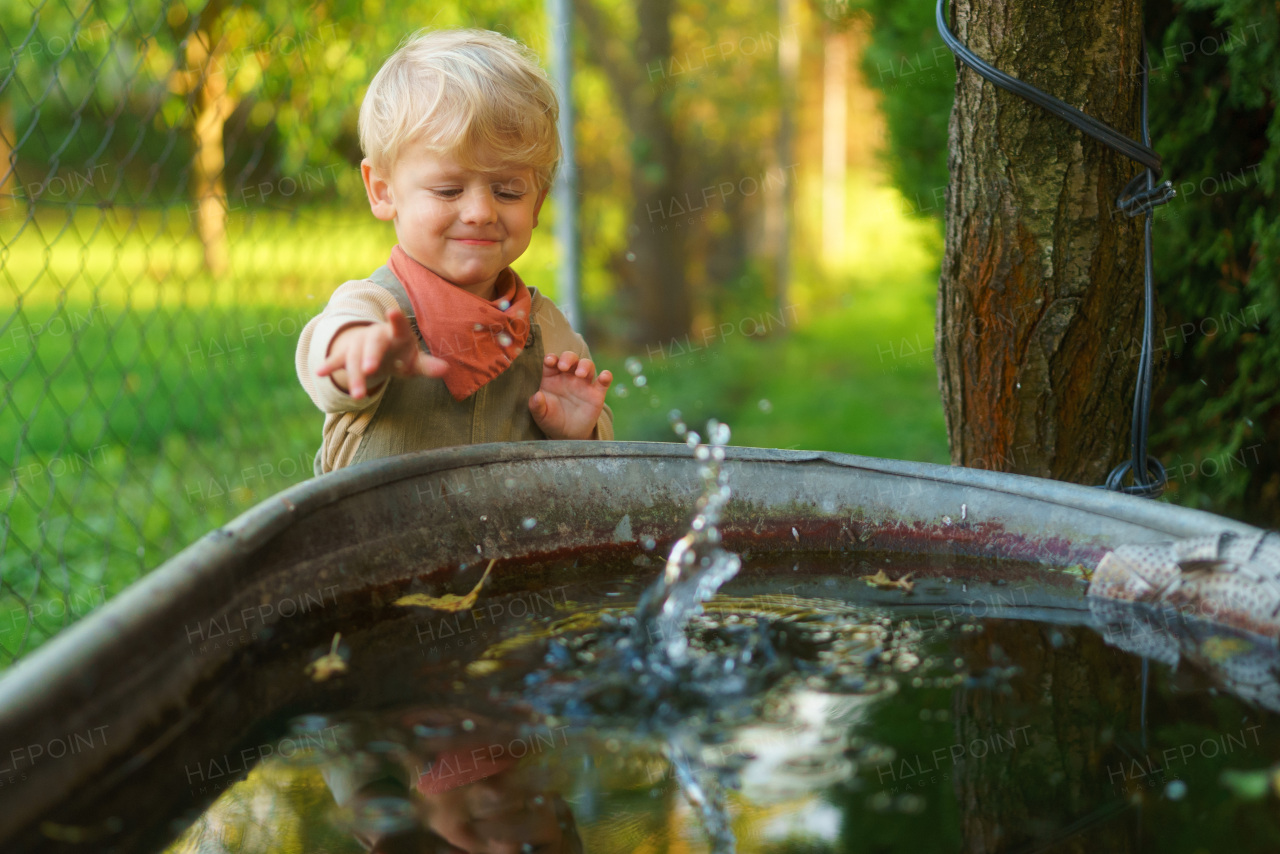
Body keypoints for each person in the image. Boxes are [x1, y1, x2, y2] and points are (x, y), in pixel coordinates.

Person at [297, 29, 614, 475]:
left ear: (538, 204)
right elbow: (328, 357)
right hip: (380, 541)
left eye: (507, 191)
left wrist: (580, 433)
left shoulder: (547, 330)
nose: (481, 211)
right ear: (383, 190)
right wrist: (361, 356)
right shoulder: (374, 309)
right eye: (448, 190)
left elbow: (600, 471)